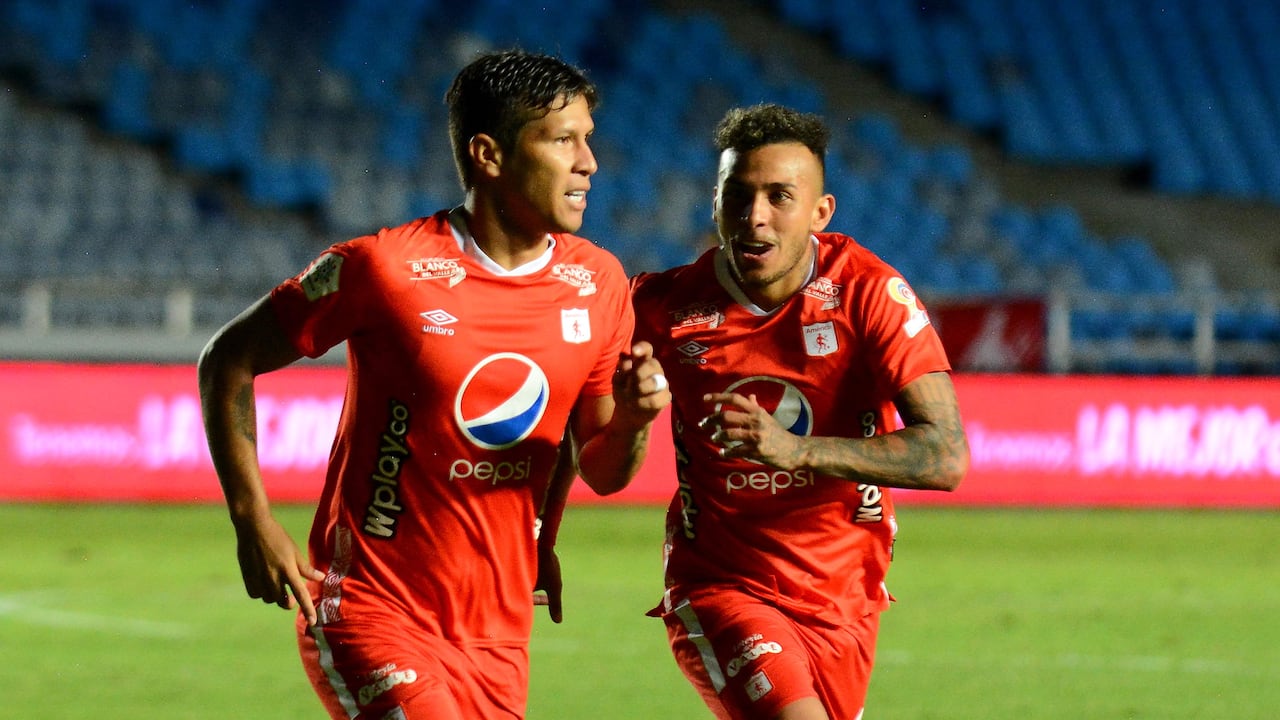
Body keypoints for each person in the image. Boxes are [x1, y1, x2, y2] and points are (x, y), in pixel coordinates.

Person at [197, 49, 670, 719]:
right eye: (563, 140)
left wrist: (632, 421)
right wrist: (254, 521)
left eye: (588, 139)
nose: (588, 162)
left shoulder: (599, 283)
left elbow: (603, 467)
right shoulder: (383, 269)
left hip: (498, 632)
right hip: (369, 609)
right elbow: (227, 359)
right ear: (489, 155)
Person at [631, 103, 970, 720]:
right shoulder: (661, 307)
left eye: (779, 196)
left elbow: (945, 455)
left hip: (845, 596)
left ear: (821, 212)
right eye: (738, 195)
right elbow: (580, 419)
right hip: (723, 585)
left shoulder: (868, 292)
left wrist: (797, 450)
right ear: (715, 203)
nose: (755, 216)